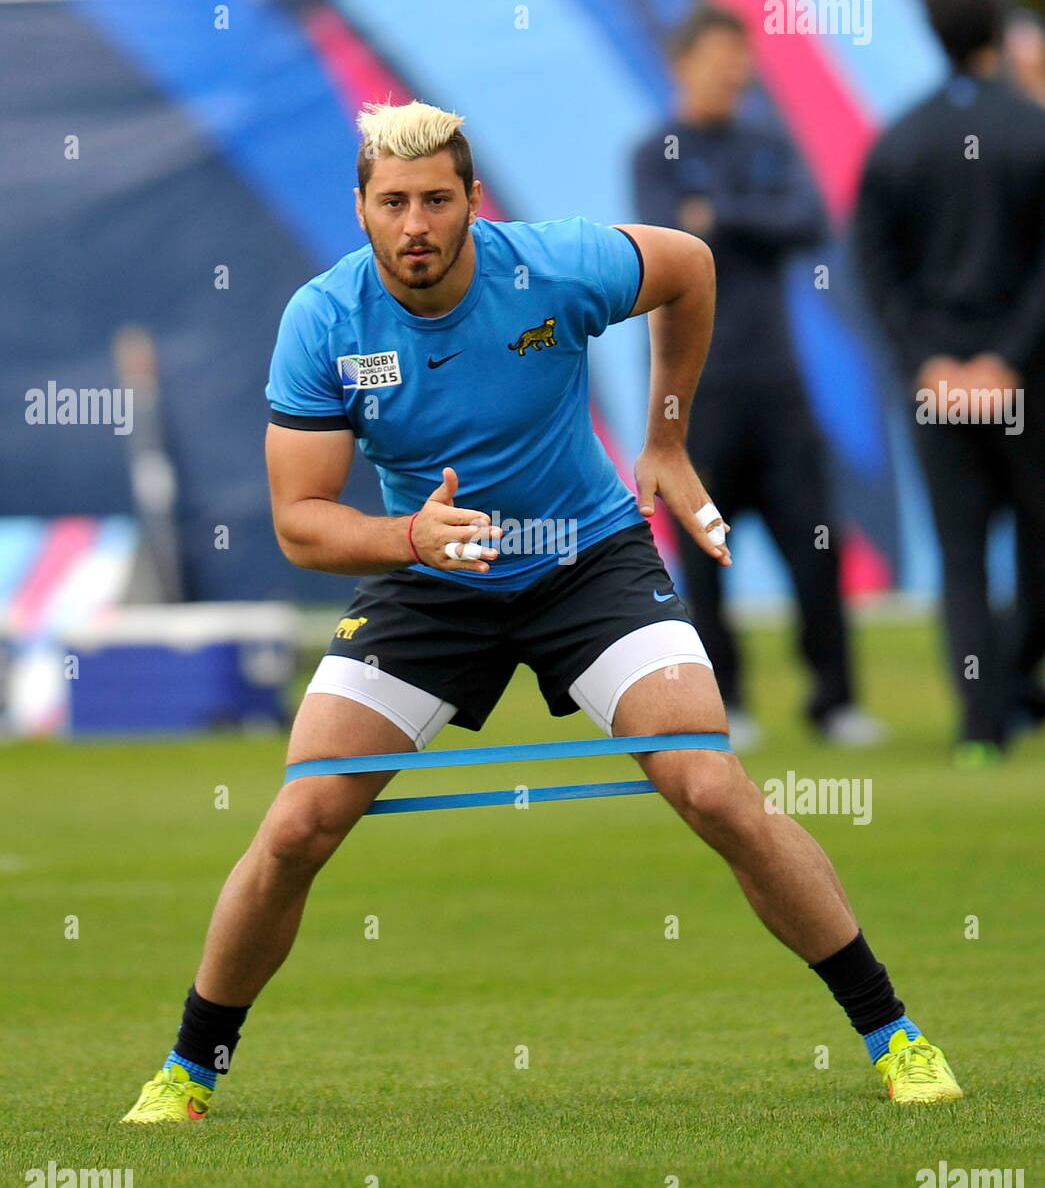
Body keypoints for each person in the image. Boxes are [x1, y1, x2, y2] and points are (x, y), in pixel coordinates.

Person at [120, 100, 961, 1123]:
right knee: (299, 820)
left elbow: (691, 265)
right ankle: (188, 1069)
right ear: (361, 209)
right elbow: (300, 523)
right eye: (393, 203)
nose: (416, 223)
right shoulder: (323, 319)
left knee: (710, 785)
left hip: (585, 560)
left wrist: (663, 437)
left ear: (475, 200)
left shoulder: (552, 267)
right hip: (428, 575)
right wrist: (407, 542)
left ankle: (894, 1034)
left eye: (437, 199)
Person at [632, 5, 885, 752]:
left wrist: (723, 214)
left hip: (777, 384)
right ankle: (727, 700)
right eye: (716, 56)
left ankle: (833, 701)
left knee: (816, 545)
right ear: (681, 63)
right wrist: (726, 222)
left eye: (739, 57)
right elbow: (667, 240)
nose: (731, 71)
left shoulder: (766, 141)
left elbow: (808, 220)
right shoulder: (657, 152)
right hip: (700, 389)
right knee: (706, 550)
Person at [854, 0, 1045, 764]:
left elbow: (873, 269)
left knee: (959, 557)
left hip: (935, 389)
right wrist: (1005, 358)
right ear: (997, 30)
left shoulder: (899, 139)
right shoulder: (1031, 130)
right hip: (1026, 382)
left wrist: (927, 361)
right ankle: (1008, 686)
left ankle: (980, 725)